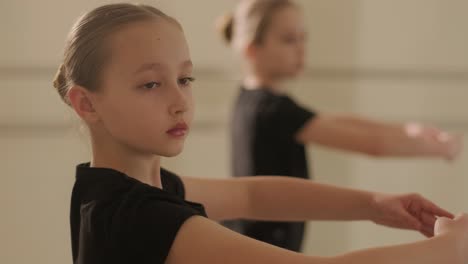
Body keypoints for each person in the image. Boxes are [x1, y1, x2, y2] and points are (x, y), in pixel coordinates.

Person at [53, 3, 468, 264]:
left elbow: (252, 195)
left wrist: (376, 205)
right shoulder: (141, 218)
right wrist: (445, 251)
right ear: (86, 104)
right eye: (150, 84)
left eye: (185, 78)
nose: (180, 101)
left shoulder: (115, 190)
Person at [218, 0, 463, 251]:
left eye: (304, 38)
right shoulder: (272, 110)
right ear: (252, 49)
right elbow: (373, 145)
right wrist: (441, 148)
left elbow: (336, 121)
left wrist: (406, 130)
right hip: (262, 249)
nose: (302, 49)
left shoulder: (254, 99)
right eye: (289, 40)